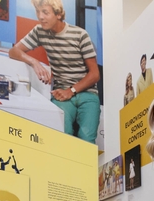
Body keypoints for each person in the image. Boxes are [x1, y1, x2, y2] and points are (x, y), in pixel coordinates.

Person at [8, 0, 101, 144]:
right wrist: (34, 62)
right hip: (61, 94)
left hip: (87, 93)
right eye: (38, 12)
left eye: (45, 12)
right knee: (61, 136)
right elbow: (14, 51)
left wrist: (71, 90)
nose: (41, 17)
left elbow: (94, 74)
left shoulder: (80, 34)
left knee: (87, 140)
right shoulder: (39, 31)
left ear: (58, 14)